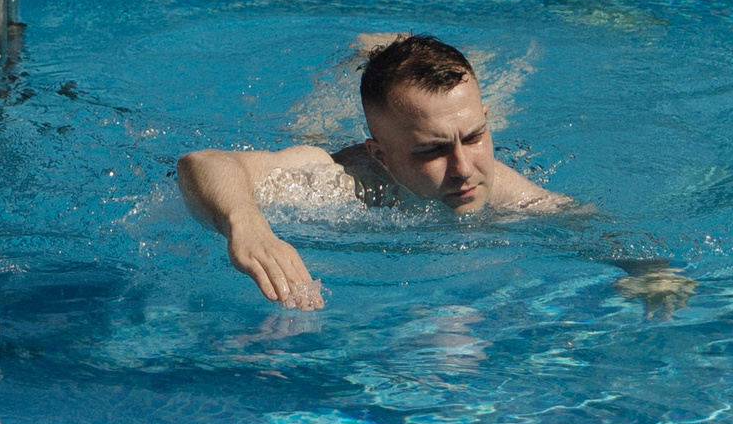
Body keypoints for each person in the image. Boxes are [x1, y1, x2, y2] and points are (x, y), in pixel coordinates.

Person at [178, 31, 690, 317]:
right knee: (314, 122)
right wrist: (245, 221)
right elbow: (201, 163)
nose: (465, 170)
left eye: (476, 137)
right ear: (381, 157)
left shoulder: (502, 188)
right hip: (344, 137)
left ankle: (402, 56)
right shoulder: (344, 183)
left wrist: (650, 270)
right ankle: (370, 53)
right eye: (432, 152)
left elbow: (588, 223)